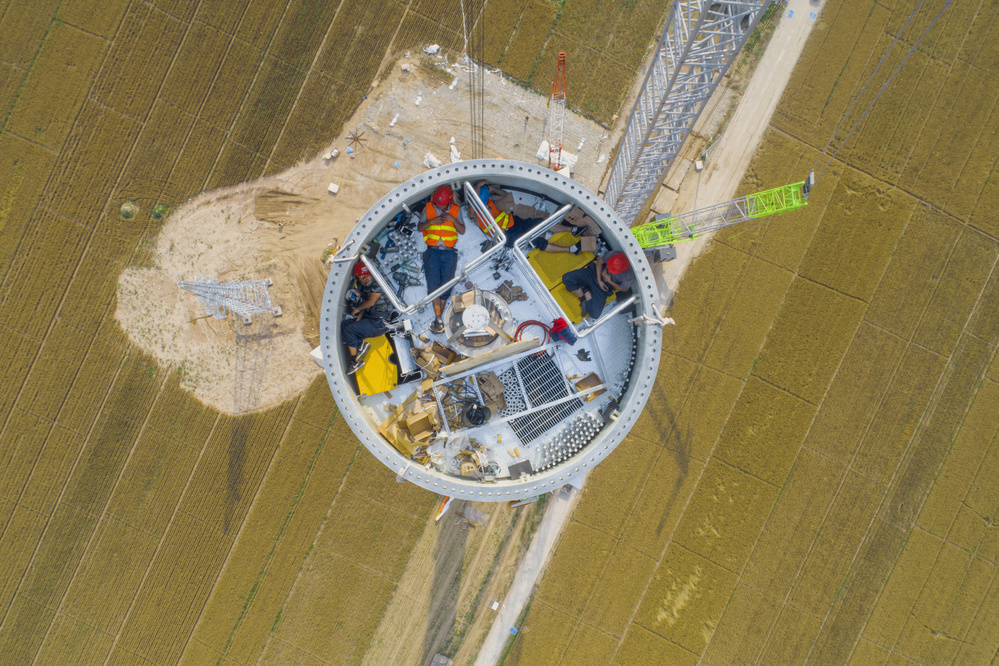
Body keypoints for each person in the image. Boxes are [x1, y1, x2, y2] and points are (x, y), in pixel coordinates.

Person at [419, 184, 465, 333]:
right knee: (433, 285)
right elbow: (420, 227)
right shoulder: (428, 209)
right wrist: (430, 222)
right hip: (432, 251)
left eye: (442, 204)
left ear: (449, 201)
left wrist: (452, 219)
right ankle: (438, 318)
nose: (439, 206)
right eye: (437, 203)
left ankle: (439, 318)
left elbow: (462, 230)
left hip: (449, 252)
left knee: (447, 283)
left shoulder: (456, 210)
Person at [342, 262, 399, 374]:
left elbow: (371, 302)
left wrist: (357, 309)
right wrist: (357, 321)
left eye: (365, 276)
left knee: (349, 330)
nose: (364, 280)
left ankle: (355, 361)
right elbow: (364, 306)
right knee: (345, 324)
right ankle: (360, 346)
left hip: (380, 323)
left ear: (371, 273)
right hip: (372, 318)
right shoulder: (367, 289)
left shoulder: (377, 285)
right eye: (361, 278)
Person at [471, 180, 547, 248]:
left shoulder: (488, 201)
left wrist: (494, 189)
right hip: (507, 235)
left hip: (513, 221)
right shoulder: (473, 212)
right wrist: (478, 186)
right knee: (537, 242)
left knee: (542, 222)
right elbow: (475, 202)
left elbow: (504, 195)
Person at [562, 251, 634, 320]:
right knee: (567, 278)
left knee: (595, 314)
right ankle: (583, 299)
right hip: (593, 273)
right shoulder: (615, 254)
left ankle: (586, 290)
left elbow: (624, 289)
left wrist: (610, 281)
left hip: (603, 287)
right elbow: (599, 262)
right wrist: (599, 280)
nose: (609, 269)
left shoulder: (628, 276)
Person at [531, 206, 603, 254]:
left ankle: (574, 230)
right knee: (540, 243)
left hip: (524, 224)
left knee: (541, 222)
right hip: (523, 234)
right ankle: (572, 249)